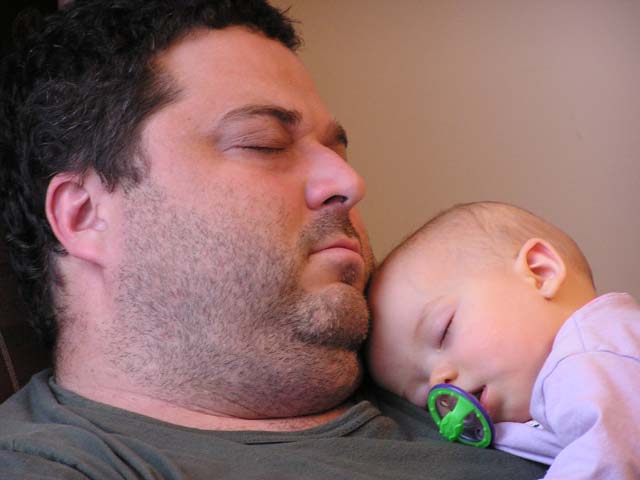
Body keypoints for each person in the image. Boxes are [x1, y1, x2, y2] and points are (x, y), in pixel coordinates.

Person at [0, 1, 548, 478]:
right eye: (263, 143)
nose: (348, 181)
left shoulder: (469, 367)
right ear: (86, 215)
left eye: (337, 150)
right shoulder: (54, 465)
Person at [367, 201, 640, 479]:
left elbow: (610, 459)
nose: (439, 381)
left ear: (540, 273)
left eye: (443, 332)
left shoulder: (594, 354)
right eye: (424, 398)